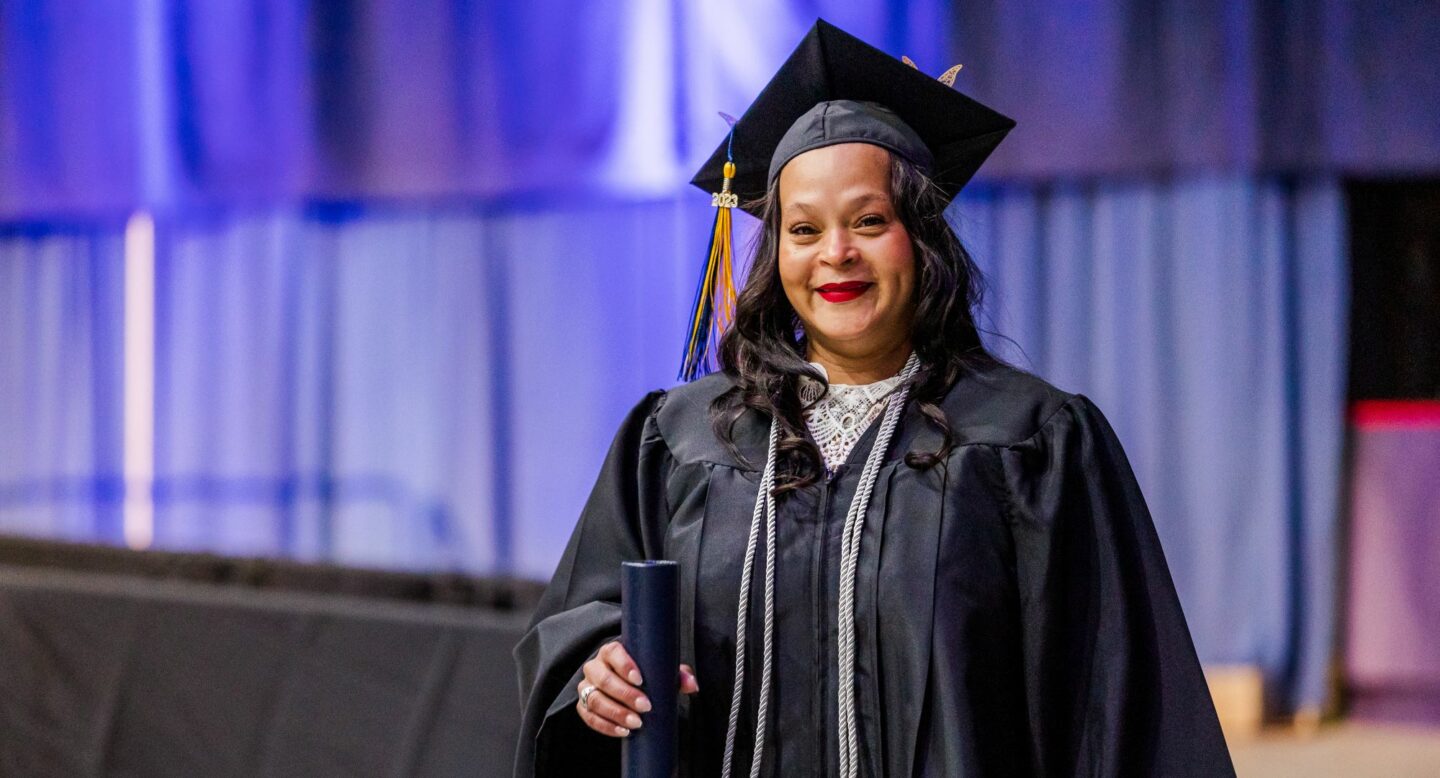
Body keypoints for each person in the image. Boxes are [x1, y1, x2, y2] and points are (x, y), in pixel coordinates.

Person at [514, 19, 1234, 777]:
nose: (836, 254)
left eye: (868, 221)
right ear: (777, 253)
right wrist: (597, 673)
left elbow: (1113, 703)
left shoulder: (1032, 442)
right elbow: (583, 621)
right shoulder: (683, 439)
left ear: (920, 239)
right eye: (803, 229)